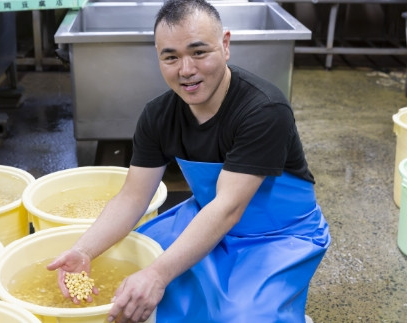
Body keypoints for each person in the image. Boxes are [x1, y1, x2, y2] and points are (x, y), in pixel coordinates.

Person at [46, 0, 331, 322]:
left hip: (279, 233)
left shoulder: (263, 110)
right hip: (207, 217)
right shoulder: (158, 115)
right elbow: (133, 196)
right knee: (136, 267)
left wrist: (158, 275)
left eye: (199, 52)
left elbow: (228, 208)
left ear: (225, 45)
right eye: (171, 57)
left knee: (243, 315)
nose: (186, 70)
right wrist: (84, 250)